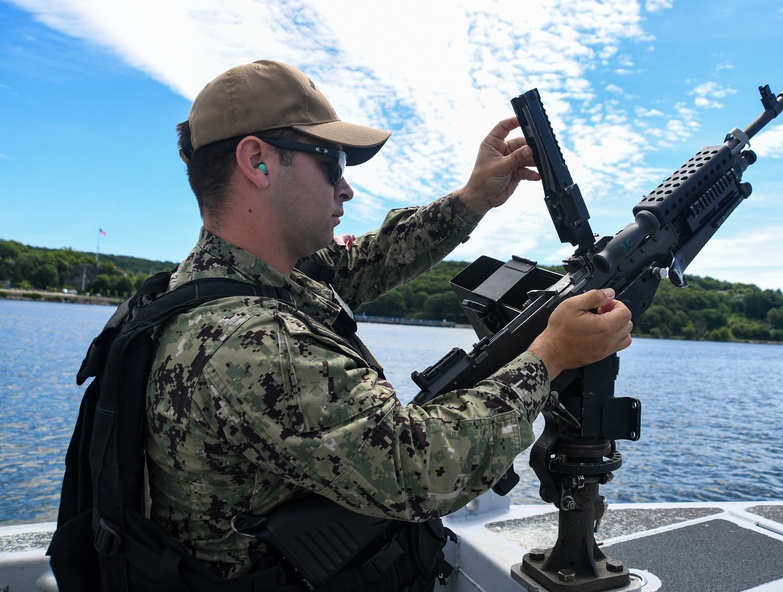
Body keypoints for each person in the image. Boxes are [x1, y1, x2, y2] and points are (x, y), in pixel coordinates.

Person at [148, 59, 633, 582]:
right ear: (257, 162)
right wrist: (552, 354)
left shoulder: (239, 281)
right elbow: (420, 469)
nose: (345, 189)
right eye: (331, 163)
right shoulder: (250, 342)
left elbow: (369, 260)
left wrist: (472, 199)